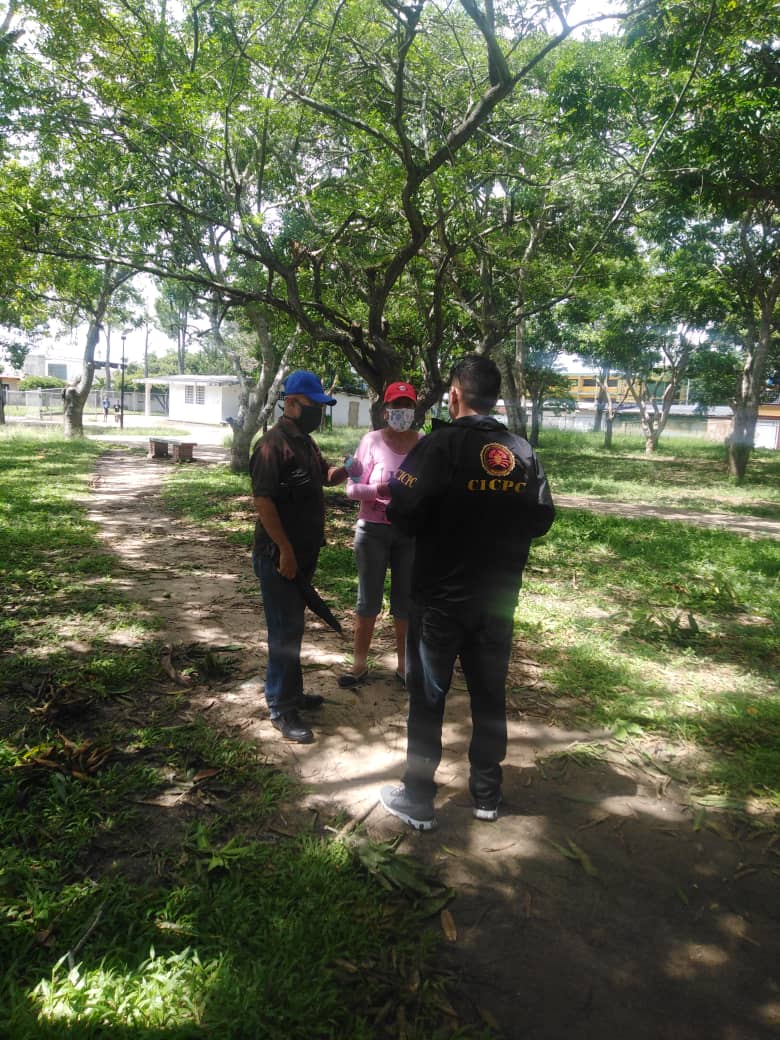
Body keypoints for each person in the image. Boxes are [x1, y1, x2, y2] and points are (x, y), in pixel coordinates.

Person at [379, 355, 555, 830]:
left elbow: (402, 509)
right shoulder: (520, 450)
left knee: (429, 697)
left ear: (455, 394)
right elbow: (541, 518)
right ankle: (487, 794)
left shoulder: (439, 446)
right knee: (489, 695)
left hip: (439, 601)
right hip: (497, 601)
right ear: (494, 397)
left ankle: (418, 797)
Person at [250, 370, 361, 744]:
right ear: (292, 403)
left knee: (294, 627)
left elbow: (322, 475)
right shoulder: (271, 446)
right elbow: (263, 501)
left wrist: (345, 471)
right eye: (316, 406)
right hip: (278, 556)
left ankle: (292, 693)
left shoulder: (306, 443)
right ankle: (280, 707)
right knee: (283, 632)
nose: (320, 413)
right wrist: (284, 549)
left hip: (303, 554)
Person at [339, 381, 422, 688]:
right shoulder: (371, 441)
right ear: (386, 411)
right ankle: (359, 665)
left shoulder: (423, 443)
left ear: (415, 411)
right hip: (372, 531)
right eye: (396, 406)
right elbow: (352, 487)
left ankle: (405, 667)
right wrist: (381, 490)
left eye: (408, 406)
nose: (402, 412)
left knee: (406, 602)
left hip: (409, 532)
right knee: (367, 600)